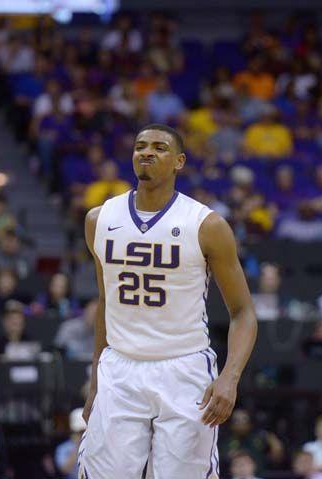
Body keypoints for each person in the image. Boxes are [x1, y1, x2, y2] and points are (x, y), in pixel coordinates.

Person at [78, 124, 257, 478]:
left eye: (159, 148)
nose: (147, 152)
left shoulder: (206, 225)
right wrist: (97, 376)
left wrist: (229, 378)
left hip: (185, 369)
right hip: (120, 367)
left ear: (179, 162)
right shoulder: (99, 220)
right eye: (140, 146)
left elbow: (243, 313)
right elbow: (106, 304)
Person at [219, 409, 283, 474]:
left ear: (250, 424)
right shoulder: (225, 442)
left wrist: (274, 443)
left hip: (260, 475)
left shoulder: (259, 438)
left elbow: (277, 457)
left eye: (244, 420)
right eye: (237, 421)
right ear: (231, 425)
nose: (241, 424)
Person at [55, 408, 87, 479]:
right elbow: (65, 469)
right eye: (80, 432)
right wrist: (78, 446)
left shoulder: (95, 445)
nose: (83, 434)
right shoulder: (63, 448)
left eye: (85, 431)